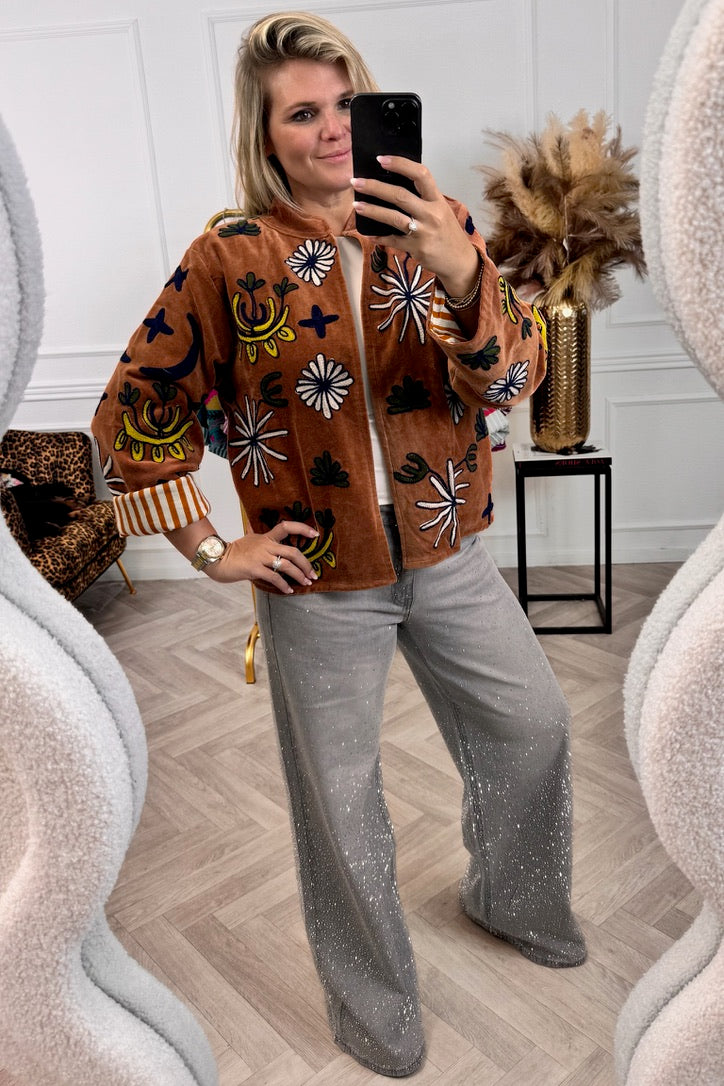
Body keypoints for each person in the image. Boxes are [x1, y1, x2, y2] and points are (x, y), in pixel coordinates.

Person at [91, 11, 586, 1078]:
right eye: (301, 113)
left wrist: (460, 272)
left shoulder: (437, 224)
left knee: (534, 727)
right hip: (318, 581)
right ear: (264, 136)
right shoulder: (230, 257)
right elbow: (136, 406)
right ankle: (374, 1008)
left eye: (345, 104)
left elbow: (513, 382)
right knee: (342, 806)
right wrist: (210, 549)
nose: (329, 129)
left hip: (450, 554)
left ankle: (511, 898)